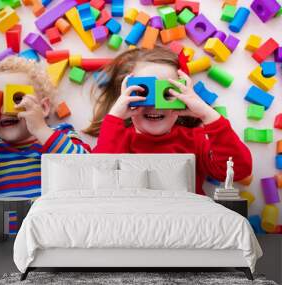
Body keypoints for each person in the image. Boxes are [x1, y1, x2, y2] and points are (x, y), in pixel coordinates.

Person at [0, 56, 91, 232]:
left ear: (43, 108)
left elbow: (87, 169)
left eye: (16, 99)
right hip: (8, 246)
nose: (4, 110)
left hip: (60, 238)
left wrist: (40, 129)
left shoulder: (61, 136)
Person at [85, 46, 252, 196]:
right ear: (127, 97)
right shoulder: (117, 139)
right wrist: (115, 117)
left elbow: (239, 171)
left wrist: (208, 115)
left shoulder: (194, 140)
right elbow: (99, 180)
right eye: (144, 93)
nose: (156, 105)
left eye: (167, 94)